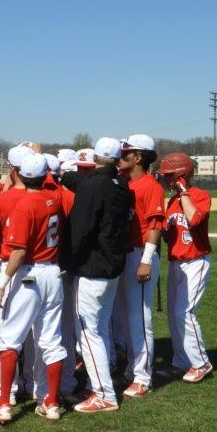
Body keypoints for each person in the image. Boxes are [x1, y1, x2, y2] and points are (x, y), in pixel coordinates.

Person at [0, 153, 67, 423]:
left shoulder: (24, 205)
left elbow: (19, 251)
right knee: (51, 341)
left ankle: (3, 405)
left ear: (20, 174)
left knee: (10, 339)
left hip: (28, 274)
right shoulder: (54, 199)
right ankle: (52, 402)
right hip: (53, 273)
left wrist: (1, 285)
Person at [60, 138, 131, 412]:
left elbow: (81, 231)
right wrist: (67, 177)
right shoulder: (120, 185)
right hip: (112, 267)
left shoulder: (94, 186)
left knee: (89, 333)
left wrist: (67, 262)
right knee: (99, 330)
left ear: (95, 157)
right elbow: (89, 184)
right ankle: (99, 384)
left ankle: (104, 394)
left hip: (92, 268)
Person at [157, 153, 214, 383]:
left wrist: (183, 193)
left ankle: (201, 363)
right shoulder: (171, 202)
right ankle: (181, 361)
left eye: (170, 176)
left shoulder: (200, 195)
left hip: (196, 261)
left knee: (185, 313)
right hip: (176, 263)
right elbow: (167, 235)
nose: (166, 180)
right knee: (174, 315)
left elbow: (195, 219)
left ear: (181, 174)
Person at [117, 134, 165, 398]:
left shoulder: (150, 186)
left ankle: (143, 377)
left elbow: (156, 226)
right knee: (125, 316)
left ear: (138, 158)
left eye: (126, 153)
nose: (120, 157)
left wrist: (146, 260)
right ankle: (135, 367)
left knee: (139, 317)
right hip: (126, 255)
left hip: (140, 255)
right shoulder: (125, 183)